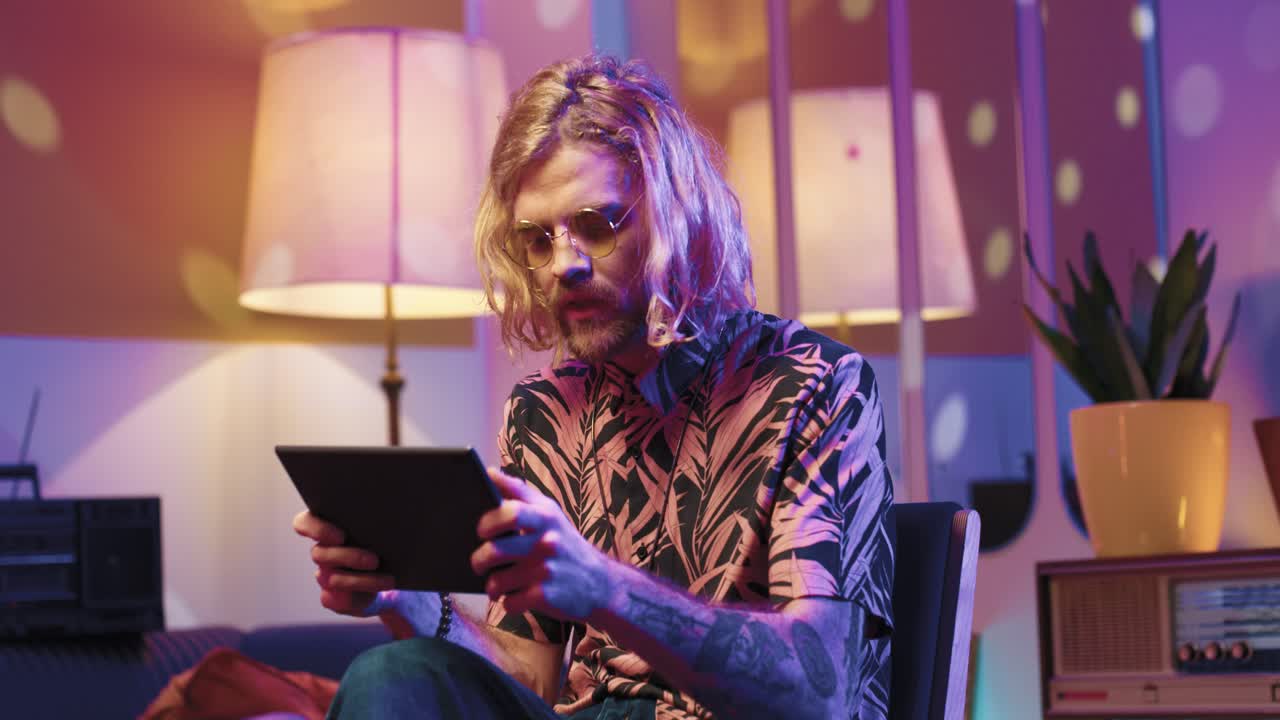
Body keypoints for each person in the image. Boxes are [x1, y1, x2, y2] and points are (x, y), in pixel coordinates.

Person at [294, 53, 894, 720]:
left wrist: (603, 588)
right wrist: (412, 605)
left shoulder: (813, 385)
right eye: (537, 240)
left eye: (597, 226)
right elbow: (531, 676)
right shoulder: (543, 413)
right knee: (396, 672)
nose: (563, 265)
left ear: (676, 214)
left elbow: (824, 692)